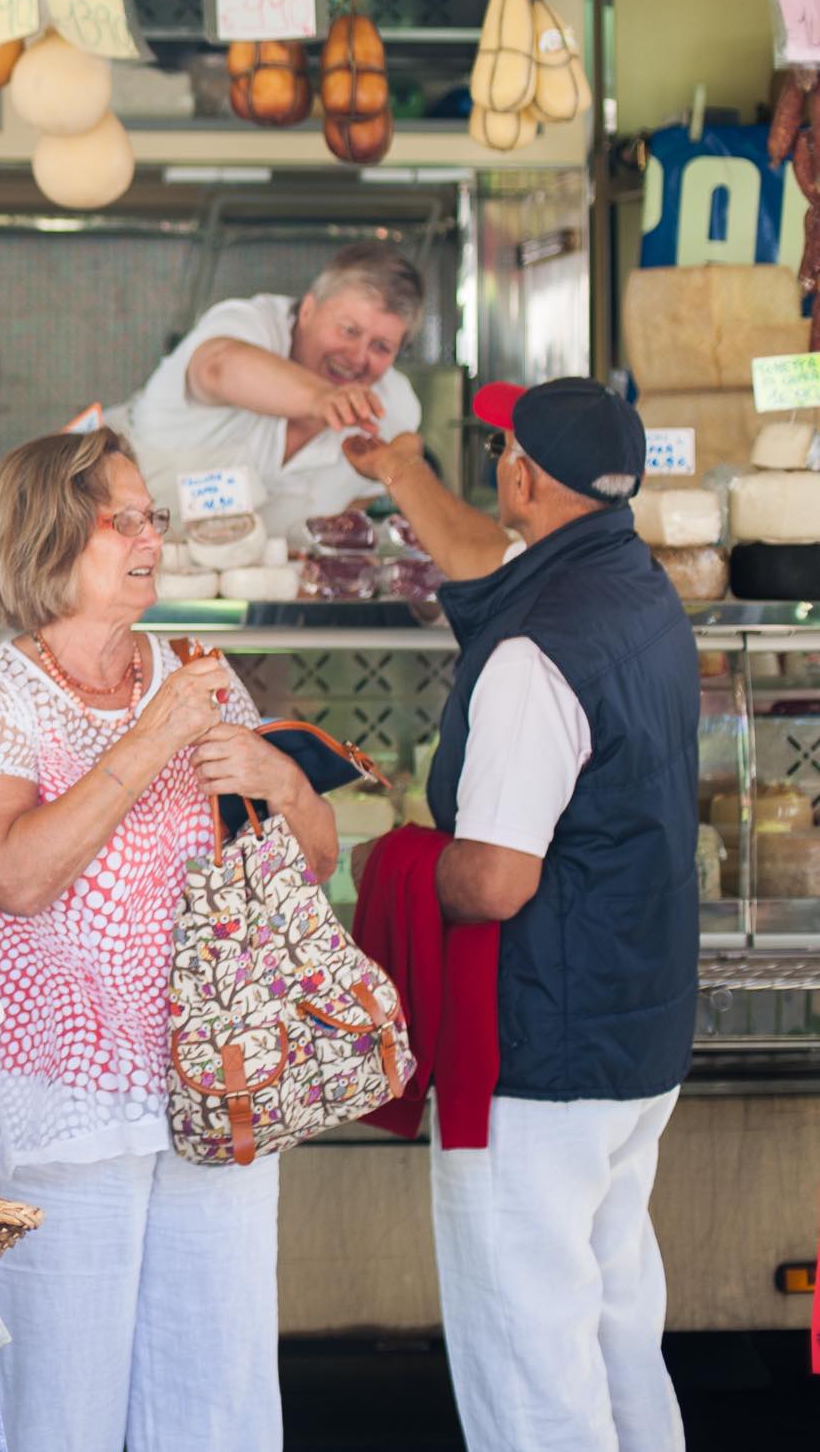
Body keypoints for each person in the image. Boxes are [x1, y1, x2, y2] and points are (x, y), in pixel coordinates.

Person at [0, 427, 337, 1452]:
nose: (153, 535)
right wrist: (154, 735)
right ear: (51, 535)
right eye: (127, 517)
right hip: (57, 1092)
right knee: (60, 1394)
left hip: (213, 1078)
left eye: (154, 516)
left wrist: (279, 776)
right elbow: (17, 873)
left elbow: (311, 861)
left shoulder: (198, 672)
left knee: (216, 1381)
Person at [347, 380, 695, 1452]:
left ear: (525, 477)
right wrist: (400, 470)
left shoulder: (530, 658)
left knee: (529, 1349)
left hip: (538, 1048)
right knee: (616, 1318)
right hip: (635, 1031)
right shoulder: (632, 582)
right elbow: (487, 563)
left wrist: (387, 859)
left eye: (501, 449)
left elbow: (495, 879)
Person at [113, 241, 424, 528]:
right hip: (130, 557)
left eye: (381, 347)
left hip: (267, 582)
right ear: (307, 310)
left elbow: (359, 499)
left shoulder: (395, 410)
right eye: (348, 330)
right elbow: (217, 367)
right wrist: (323, 398)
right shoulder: (251, 323)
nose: (358, 357)